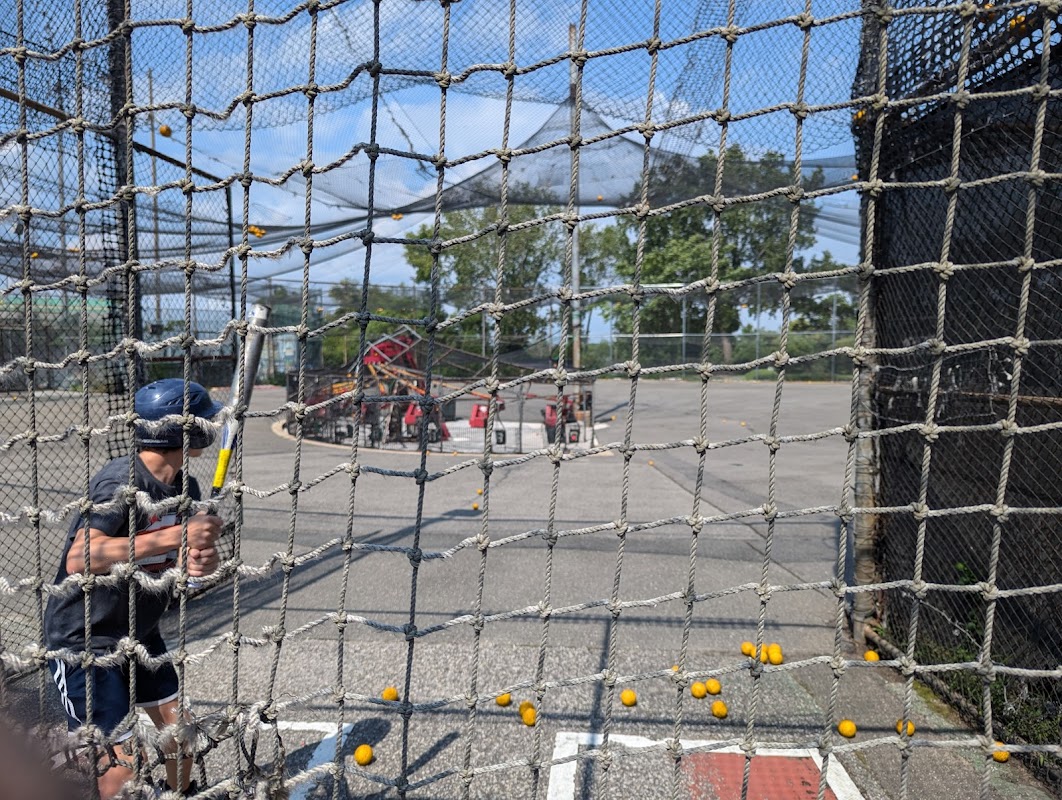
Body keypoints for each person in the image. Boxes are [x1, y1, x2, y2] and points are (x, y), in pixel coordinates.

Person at [44, 379, 225, 799]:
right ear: (183, 431)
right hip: (84, 639)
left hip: (138, 631)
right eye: (203, 421)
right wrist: (177, 535)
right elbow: (81, 556)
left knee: (180, 731)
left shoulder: (186, 489)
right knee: (120, 762)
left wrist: (200, 562)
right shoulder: (121, 482)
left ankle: (181, 793)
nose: (211, 427)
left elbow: (183, 562)